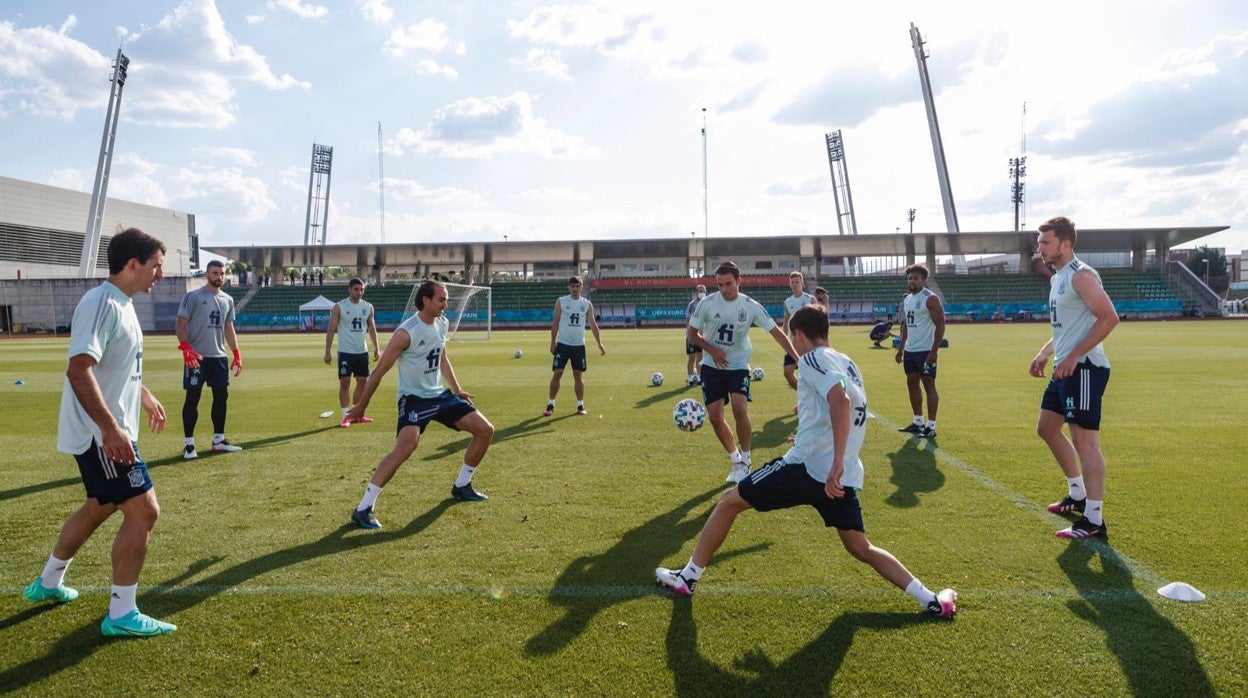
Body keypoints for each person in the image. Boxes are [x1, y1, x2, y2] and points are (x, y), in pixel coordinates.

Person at [656, 304, 957, 619]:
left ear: (798, 334)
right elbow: (849, 408)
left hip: (810, 469)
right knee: (860, 548)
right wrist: (819, 443)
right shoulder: (846, 361)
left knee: (730, 502)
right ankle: (933, 601)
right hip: (839, 477)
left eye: (792, 337)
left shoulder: (811, 359)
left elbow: (840, 401)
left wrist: (835, 460)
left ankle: (688, 578)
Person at [22, 228, 178, 637]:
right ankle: (121, 614)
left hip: (109, 430)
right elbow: (79, 368)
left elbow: (112, 365)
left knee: (100, 506)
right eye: (157, 265)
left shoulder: (122, 304)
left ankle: (48, 583)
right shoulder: (102, 302)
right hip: (101, 435)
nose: (160, 273)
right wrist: (110, 429)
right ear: (133, 264)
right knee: (144, 511)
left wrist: (143, 395)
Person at [347, 280, 495, 529]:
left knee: (485, 430)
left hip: (440, 396)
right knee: (406, 447)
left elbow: (443, 357)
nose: (446, 304)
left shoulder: (442, 323)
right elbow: (379, 372)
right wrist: (361, 405)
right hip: (414, 399)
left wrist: (457, 389)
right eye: (441, 299)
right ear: (426, 300)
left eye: (446, 299)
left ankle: (462, 485)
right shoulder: (406, 333)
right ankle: (363, 508)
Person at [1029, 216, 1119, 539]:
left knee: (1085, 441)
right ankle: (1077, 493)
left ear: (1065, 243)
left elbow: (1110, 318)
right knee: (1047, 428)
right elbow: (1066, 328)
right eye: (1039, 242)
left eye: (1045, 242)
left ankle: (1094, 519)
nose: (1039, 248)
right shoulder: (1057, 278)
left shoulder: (1081, 276)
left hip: (1084, 369)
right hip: (1065, 367)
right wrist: (1045, 353)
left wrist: (1073, 355)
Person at [688, 261, 800, 483]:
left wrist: (798, 358)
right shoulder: (707, 304)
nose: (724, 289)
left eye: (728, 284)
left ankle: (747, 459)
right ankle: (735, 459)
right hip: (711, 365)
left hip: (738, 365)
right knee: (714, 417)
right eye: (719, 284)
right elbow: (692, 333)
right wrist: (712, 350)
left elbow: (777, 333)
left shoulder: (750, 306)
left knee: (740, 408)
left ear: (739, 281)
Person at [176, 259, 244, 458]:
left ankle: (219, 440)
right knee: (193, 397)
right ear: (207, 274)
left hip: (218, 357)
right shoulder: (193, 296)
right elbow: (180, 325)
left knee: (221, 396)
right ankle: (189, 445)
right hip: (196, 357)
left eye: (222, 273)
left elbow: (228, 328)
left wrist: (236, 353)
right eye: (215, 273)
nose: (219, 277)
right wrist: (186, 349)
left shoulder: (228, 300)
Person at [543, 276, 606, 417]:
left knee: (578, 375)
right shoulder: (561, 302)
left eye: (578, 286)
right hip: (563, 344)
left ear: (582, 287)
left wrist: (599, 344)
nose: (575, 289)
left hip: (578, 345)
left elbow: (593, 324)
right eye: (573, 286)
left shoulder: (587, 304)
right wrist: (552, 342)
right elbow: (555, 323)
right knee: (557, 373)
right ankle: (550, 404)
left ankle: (580, 405)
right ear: (569, 288)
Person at [895, 264, 944, 439]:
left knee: (929, 385)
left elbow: (940, 325)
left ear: (923, 280)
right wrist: (901, 349)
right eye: (909, 278)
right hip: (910, 351)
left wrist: (934, 351)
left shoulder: (930, 299)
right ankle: (918, 422)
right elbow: (906, 326)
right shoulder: (907, 299)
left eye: (915, 278)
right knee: (912, 384)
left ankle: (931, 426)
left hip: (925, 351)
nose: (912, 281)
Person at [324, 278, 381, 428]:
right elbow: (331, 329)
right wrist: (327, 351)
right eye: (356, 289)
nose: (359, 292)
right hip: (345, 351)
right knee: (345, 383)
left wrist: (377, 347)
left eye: (362, 289)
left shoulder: (368, 307)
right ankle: (345, 416)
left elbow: (372, 328)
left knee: (362, 383)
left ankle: (357, 414)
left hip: (362, 352)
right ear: (349, 289)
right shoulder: (339, 307)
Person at [781, 271, 814, 393]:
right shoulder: (787, 302)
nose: (795, 284)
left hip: (808, 343)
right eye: (792, 282)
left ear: (802, 283)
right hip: (794, 342)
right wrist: (786, 338)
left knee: (810, 373)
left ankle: (812, 399)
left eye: (797, 282)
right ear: (789, 284)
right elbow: (785, 322)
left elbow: (818, 320)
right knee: (787, 372)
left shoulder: (810, 299)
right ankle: (804, 395)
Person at [685, 284, 707, 386]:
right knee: (692, 357)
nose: (702, 293)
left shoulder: (708, 304)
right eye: (700, 291)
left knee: (700, 356)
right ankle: (690, 378)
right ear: (696, 292)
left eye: (703, 291)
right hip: (692, 334)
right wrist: (689, 334)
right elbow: (688, 319)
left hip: (703, 335)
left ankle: (698, 377)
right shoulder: (692, 305)